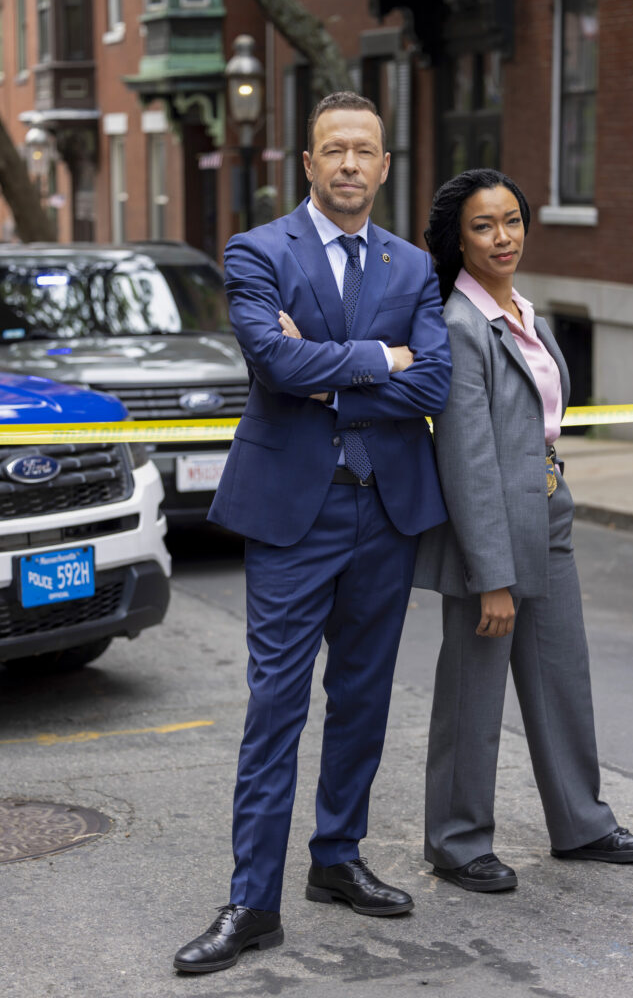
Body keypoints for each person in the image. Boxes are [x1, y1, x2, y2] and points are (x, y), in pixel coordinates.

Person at [173, 92, 451, 974]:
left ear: (383, 164)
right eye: (332, 149)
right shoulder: (257, 250)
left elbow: (435, 383)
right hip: (293, 515)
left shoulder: (413, 268)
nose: (347, 165)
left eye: (362, 150)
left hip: (388, 510)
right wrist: (380, 359)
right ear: (308, 164)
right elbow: (273, 360)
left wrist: (328, 375)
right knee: (275, 709)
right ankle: (252, 901)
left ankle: (337, 858)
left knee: (363, 702)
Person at [414, 168, 633, 894]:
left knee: (560, 674)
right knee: (474, 687)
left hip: (546, 511)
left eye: (512, 220)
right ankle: (457, 841)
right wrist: (490, 574)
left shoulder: (523, 311)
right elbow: (465, 459)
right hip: (488, 525)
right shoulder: (460, 326)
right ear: (457, 241)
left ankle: (580, 823)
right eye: (484, 226)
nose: (503, 237)